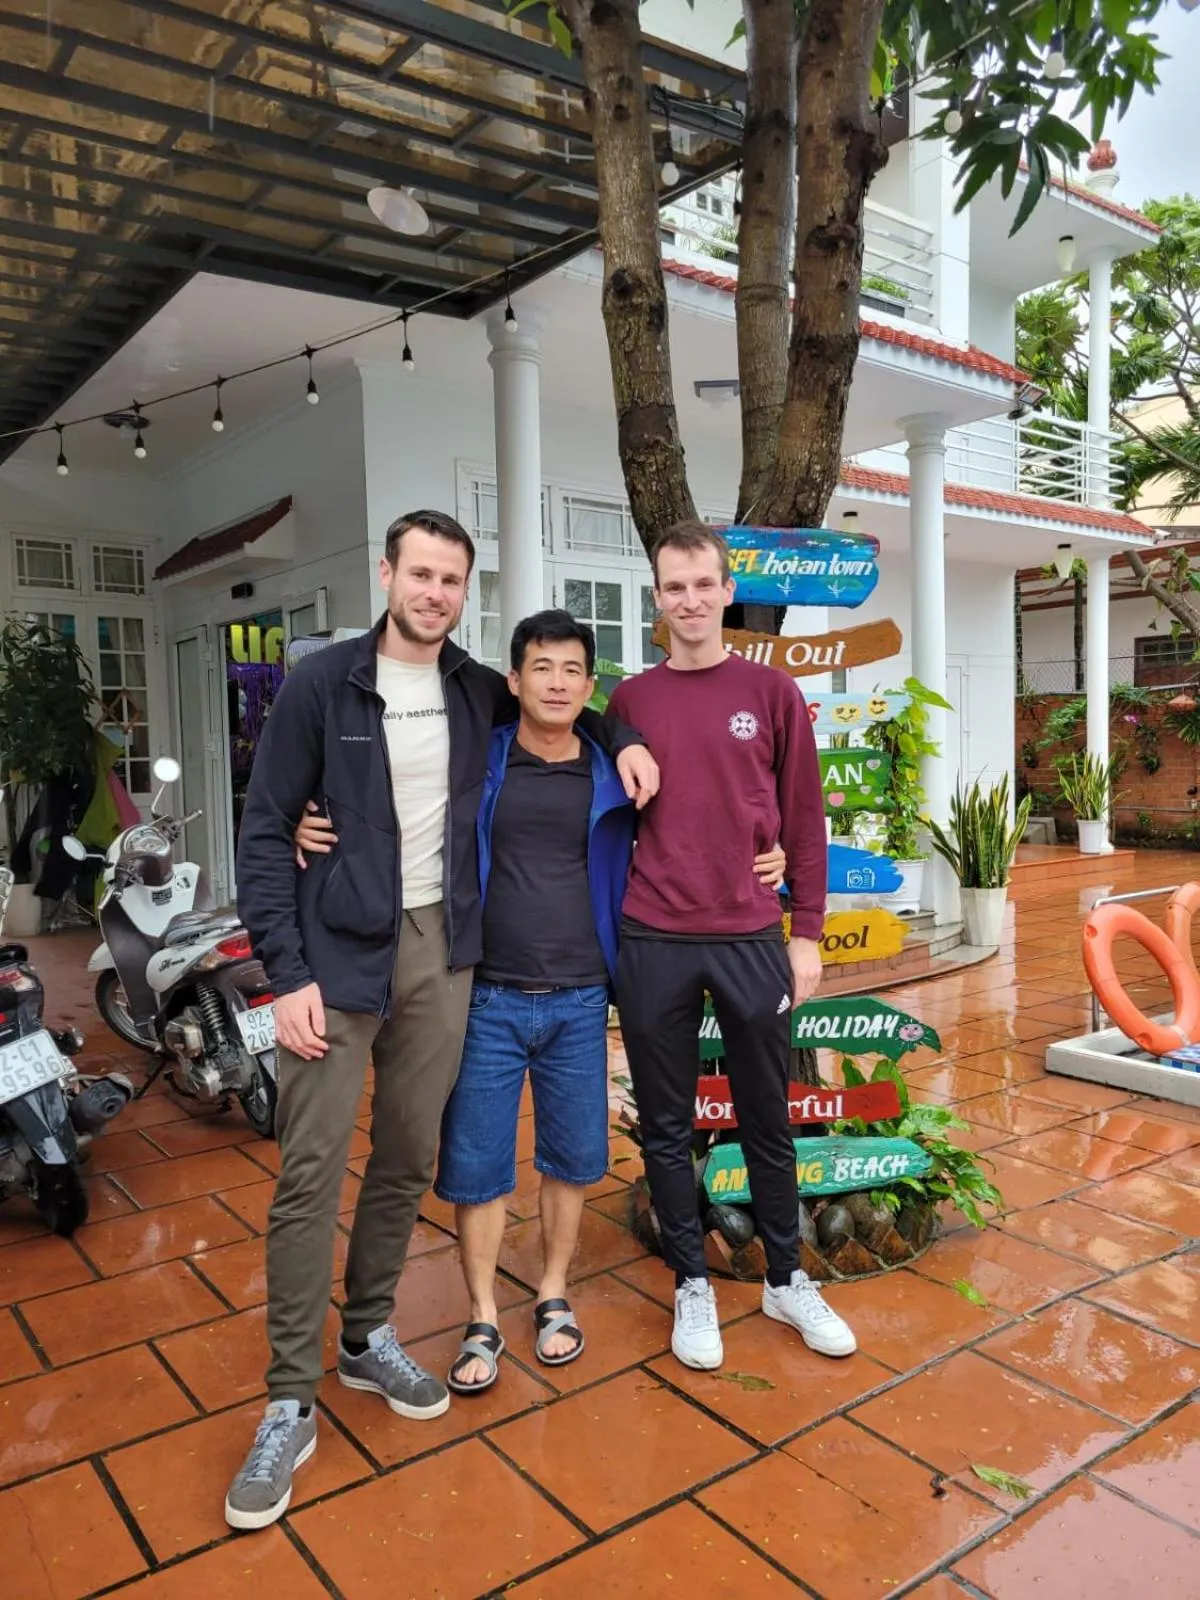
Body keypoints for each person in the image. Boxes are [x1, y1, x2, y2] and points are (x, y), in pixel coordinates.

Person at [225, 512, 658, 1531]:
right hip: (333, 957)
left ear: (466, 590)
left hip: (443, 952)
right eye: (419, 573)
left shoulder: (473, 686)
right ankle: (288, 1401)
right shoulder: (321, 685)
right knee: (309, 1171)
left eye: (451, 579)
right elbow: (264, 826)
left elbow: (568, 707)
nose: (434, 593)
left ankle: (365, 1336)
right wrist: (286, 971)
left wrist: (628, 737)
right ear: (387, 574)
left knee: (407, 1156)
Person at [293, 611, 787, 1394]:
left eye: (572, 670)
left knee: (572, 1158)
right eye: (541, 668)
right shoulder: (476, 759)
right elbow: (393, 792)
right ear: (514, 680)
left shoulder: (615, 767)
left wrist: (773, 850)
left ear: (590, 686)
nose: (556, 683)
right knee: (477, 1167)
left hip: (582, 997)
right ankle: (483, 1314)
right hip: (486, 994)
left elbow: (705, 814)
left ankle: (554, 1293)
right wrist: (305, 813)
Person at [608, 520, 857, 1372]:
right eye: (674, 587)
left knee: (766, 1116)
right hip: (654, 935)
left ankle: (787, 1279)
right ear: (658, 598)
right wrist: (619, 737)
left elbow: (804, 819)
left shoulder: (773, 693)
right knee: (666, 1125)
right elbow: (592, 753)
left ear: (727, 591)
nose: (689, 600)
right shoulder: (631, 701)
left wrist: (807, 932)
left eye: (702, 585)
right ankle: (691, 1283)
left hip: (751, 933)